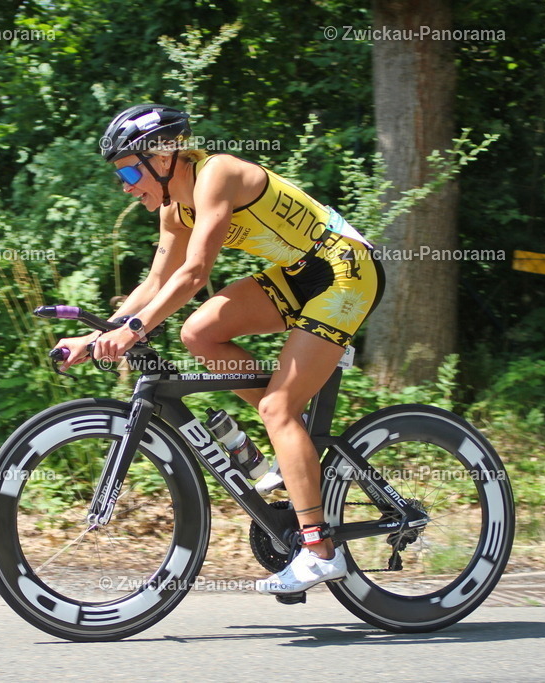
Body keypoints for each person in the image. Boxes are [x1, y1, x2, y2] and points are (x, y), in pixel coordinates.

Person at [54, 103, 384, 595]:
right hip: (300, 275)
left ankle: (319, 552)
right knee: (198, 333)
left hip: (347, 270)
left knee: (277, 408)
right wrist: (101, 334)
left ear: (163, 157)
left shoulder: (218, 173)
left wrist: (136, 328)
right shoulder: (173, 208)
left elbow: (194, 274)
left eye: (128, 169)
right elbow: (157, 281)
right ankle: (291, 441)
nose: (124, 184)